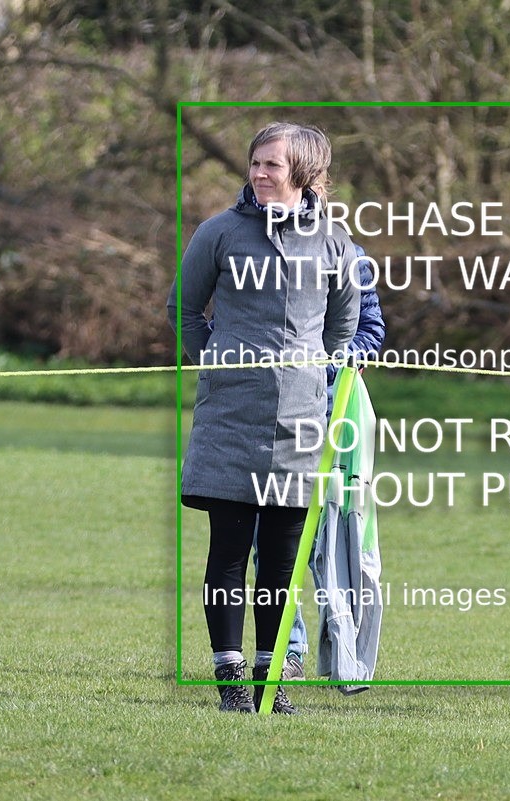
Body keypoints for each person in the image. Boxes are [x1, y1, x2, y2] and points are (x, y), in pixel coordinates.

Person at [168, 121, 360, 714]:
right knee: (227, 549)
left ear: (304, 172)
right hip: (229, 419)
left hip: (301, 426)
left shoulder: (334, 243)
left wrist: (309, 376)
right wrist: (220, 363)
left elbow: (343, 327)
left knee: (281, 561)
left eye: (272, 165)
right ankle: (229, 683)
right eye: (255, 163)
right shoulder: (219, 233)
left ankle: (270, 683)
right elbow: (184, 309)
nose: (259, 173)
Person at [261, 244, 385, 682]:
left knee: (327, 538)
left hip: (331, 411)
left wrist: (336, 365)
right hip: (264, 413)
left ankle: (339, 645)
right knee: (268, 538)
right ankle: (285, 650)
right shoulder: (251, 248)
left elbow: (370, 329)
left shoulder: (349, 253)